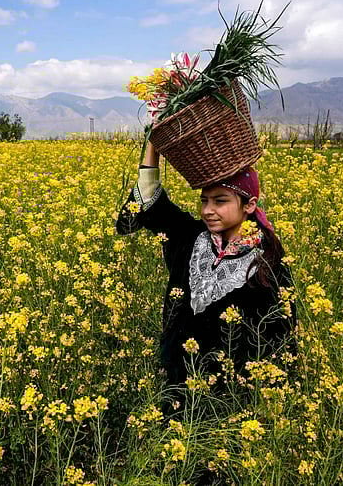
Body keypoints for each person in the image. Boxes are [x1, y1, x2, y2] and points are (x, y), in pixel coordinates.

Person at [116, 142, 295, 414]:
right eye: (204, 200)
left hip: (231, 404)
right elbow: (151, 201)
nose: (208, 210)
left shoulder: (268, 262)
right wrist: (154, 145)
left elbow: (282, 339)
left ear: (249, 205)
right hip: (178, 387)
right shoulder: (191, 236)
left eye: (220, 201)